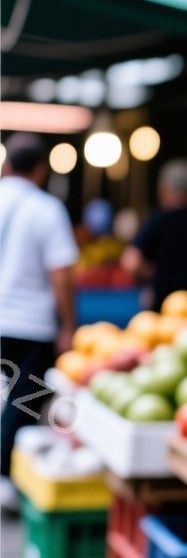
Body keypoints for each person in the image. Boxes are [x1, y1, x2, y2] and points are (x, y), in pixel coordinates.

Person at [0, 134, 79, 512]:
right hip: (30, 326)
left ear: (7, 164)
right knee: (26, 401)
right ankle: (6, 474)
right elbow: (61, 274)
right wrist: (68, 324)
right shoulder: (47, 209)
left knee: (11, 398)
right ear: (41, 169)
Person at [123, 159, 187, 306]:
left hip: (162, 306)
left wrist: (156, 273)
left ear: (165, 189)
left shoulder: (158, 221)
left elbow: (131, 262)